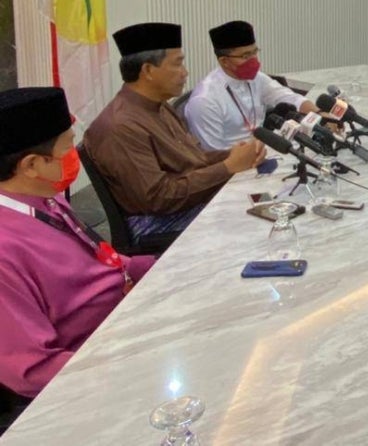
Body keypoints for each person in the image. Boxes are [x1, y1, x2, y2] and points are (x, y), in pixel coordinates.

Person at [0, 87, 156, 398]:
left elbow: (101, 260)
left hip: (126, 321)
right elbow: (33, 370)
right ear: (30, 165)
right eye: (68, 147)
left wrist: (166, 266)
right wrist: (132, 365)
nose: (76, 155)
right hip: (94, 373)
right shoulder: (6, 247)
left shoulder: (45, 199)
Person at [83, 23, 265, 241]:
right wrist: (228, 167)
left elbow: (192, 159)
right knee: (256, 220)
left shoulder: (159, 105)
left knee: (269, 201)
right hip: (156, 224)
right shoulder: (120, 126)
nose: (185, 72)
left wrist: (235, 155)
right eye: (178, 64)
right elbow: (157, 198)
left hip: (188, 203)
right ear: (148, 70)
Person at [185, 21, 320, 150]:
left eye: (255, 52)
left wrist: (321, 118)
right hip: (234, 167)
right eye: (246, 55)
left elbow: (290, 98)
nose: (253, 60)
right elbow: (212, 154)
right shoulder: (205, 100)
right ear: (224, 61)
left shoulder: (256, 78)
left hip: (264, 151)